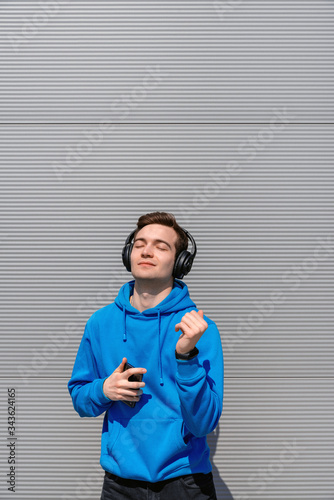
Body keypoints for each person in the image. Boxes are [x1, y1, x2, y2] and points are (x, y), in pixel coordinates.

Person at [67, 211, 224, 499]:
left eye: (161, 246)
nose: (147, 251)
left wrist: (186, 356)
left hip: (186, 481)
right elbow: (80, 400)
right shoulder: (101, 323)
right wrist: (104, 389)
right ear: (129, 254)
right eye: (139, 244)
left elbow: (203, 423)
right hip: (120, 483)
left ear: (180, 262)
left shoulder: (200, 328)